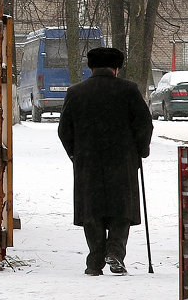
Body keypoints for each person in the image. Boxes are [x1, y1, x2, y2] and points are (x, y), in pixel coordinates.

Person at [57, 46, 154, 276]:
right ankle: (115, 253)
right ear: (116, 68)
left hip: (88, 163)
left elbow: (64, 130)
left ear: (90, 68)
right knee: (122, 210)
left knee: (92, 212)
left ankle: (94, 262)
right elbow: (144, 124)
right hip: (122, 161)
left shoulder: (76, 92)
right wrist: (141, 150)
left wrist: (75, 154)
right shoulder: (128, 90)